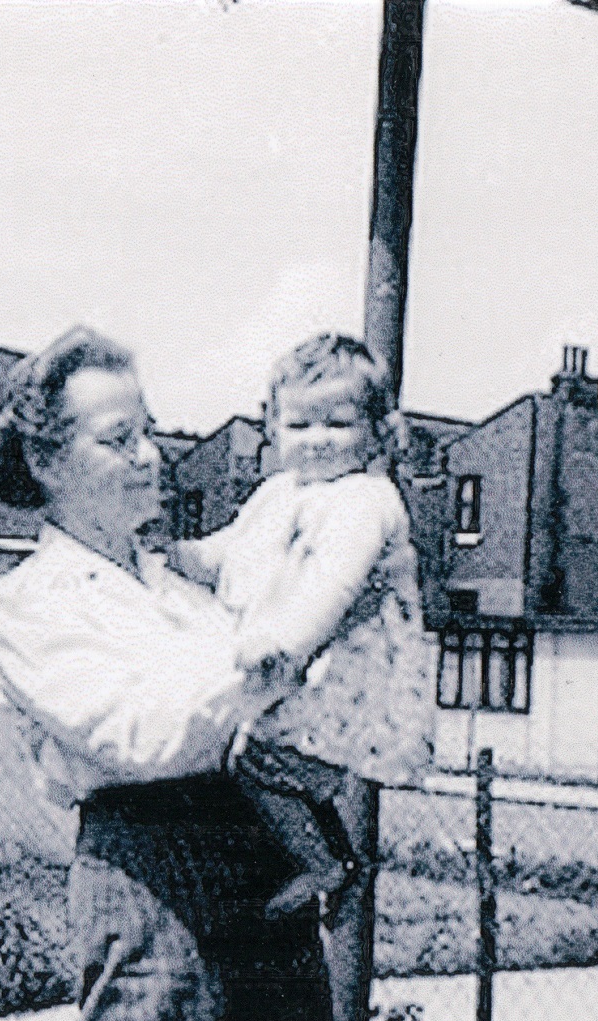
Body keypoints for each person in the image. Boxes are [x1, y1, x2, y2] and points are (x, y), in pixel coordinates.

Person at [0, 326, 355, 1021]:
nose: (148, 455)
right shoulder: (23, 607)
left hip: (260, 885)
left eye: (149, 431)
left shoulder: (185, 594)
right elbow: (142, 731)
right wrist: (271, 659)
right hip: (153, 890)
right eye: (116, 438)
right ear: (47, 463)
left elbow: (285, 710)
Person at [167, 333, 437, 921]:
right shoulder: (277, 493)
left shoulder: (366, 500)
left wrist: (287, 646)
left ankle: (321, 864)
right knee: (268, 764)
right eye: (299, 425)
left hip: (344, 669)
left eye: (336, 424)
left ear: (375, 431)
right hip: (302, 665)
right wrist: (176, 557)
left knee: (258, 764)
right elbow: (228, 550)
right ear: (273, 428)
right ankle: (336, 861)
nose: (316, 442)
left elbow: (335, 585)